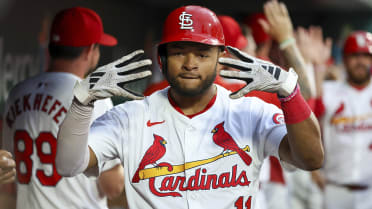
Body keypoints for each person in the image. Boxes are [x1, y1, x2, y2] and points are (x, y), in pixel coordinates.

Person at [55, 5, 323, 209]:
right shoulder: (130, 116)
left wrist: (291, 93)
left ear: (220, 59)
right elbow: (68, 166)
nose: (190, 63)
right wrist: (81, 103)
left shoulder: (250, 111)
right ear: (161, 60)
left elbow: (311, 159)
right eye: (179, 52)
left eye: (202, 53)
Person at [2, 7, 124, 209]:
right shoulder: (95, 99)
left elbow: (7, 177)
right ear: (89, 50)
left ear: (51, 46)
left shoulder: (17, 94)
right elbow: (113, 186)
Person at [317, 30, 372, 209]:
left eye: (366, 55)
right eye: (354, 55)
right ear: (345, 59)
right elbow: (309, 114)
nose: (360, 61)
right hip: (335, 188)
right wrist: (317, 68)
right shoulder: (328, 91)